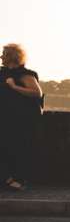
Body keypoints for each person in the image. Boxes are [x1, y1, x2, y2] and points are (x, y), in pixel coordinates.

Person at [1, 43, 44, 191]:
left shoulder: (24, 74)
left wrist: (14, 86)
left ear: (12, 56)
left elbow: (36, 92)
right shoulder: (3, 73)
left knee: (15, 149)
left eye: (4, 54)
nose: (1, 56)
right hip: (6, 117)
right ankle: (8, 179)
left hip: (19, 120)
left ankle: (16, 180)